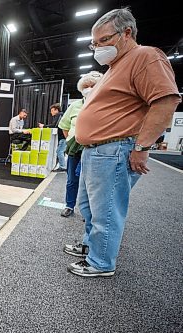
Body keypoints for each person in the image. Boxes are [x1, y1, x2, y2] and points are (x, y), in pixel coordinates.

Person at [64, 8, 180, 277]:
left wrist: (142, 147)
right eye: (94, 43)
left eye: (103, 40)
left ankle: (101, 263)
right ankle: (90, 247)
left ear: (126, 33)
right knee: (89, 207)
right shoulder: (115, 67)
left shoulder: (145, 57)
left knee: (105, 210)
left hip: (113, 149)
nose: (98, 48)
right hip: (96, 150)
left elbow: (166, 100)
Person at [58, 71, 103, 218]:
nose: (89, 88)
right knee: (72, 180)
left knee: (93, 183)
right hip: (76, 150)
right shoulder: (75, 106)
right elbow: (64, 126)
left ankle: (89, 212)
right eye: (86, 85)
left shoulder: (105, 105)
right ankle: (69, 206)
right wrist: (73, 140)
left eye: (93, 85)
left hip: (97, 151)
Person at [39, 103, 66, 171]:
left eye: (52, 110)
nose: (51, 112)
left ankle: (63, 167)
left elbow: (54, 125)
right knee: (60, 151)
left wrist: (44, 126)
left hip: (63, 137)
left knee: (59, 151)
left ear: (56, 110)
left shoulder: (59, 115)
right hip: (62, 137)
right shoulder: (60, 115)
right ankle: (62, 166)